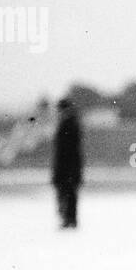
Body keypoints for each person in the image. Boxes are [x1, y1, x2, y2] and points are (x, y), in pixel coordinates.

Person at [51, 98, 84, 229]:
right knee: (69, 195)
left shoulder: (68, 124)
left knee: (68, 194)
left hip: (67, 167)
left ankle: (69, 219)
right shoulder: (71, 123)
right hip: (70, 167)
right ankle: (69, 219)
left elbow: (66, 150)